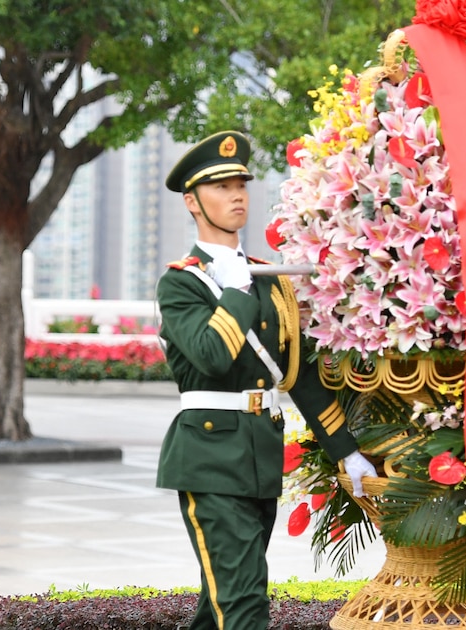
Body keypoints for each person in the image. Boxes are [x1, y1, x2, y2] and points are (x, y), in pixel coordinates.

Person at [155, 130, 377, 630]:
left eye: (240, 184)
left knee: (222, 606)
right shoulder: (183, 283)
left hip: (258, 457)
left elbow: (296, 374)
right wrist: (233, 290)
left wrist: (345, 449)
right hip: (209, 456)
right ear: (192, 201)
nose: (236, 195)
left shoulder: (266, 275)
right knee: (244, 604)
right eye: (220, 187)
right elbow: (212, 357)